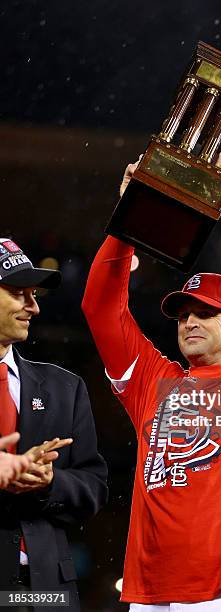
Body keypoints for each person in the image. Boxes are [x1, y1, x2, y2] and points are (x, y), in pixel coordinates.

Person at [82, 136, 221, 611]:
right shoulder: (152, 381)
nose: (189, 321)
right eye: (184, 313)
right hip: (149, 593)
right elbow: (101, 309)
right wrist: (127, 224)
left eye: (205, 313)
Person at [0, 238, 108, 611]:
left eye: (34, 295)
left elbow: (94, 488)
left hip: (48, 592)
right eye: (19, 294)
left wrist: (50, 482)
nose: (33, 307)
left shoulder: (65, 387)